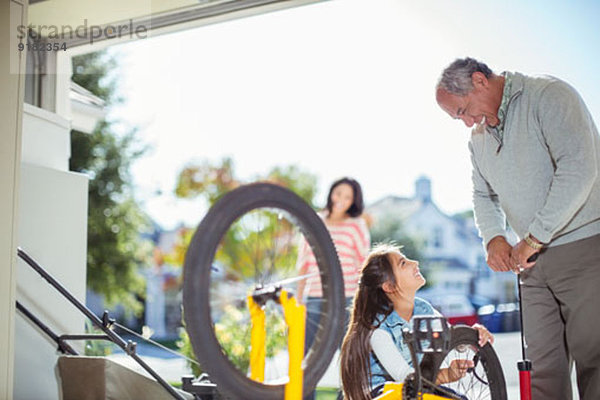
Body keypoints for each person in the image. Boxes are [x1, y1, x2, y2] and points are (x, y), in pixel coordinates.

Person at [435, 57, 600, 400]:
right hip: (531, 266)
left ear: (479, 80)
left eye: (463, 110)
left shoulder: (550, 95)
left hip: (583, 246)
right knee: (541, 371)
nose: (466, 123)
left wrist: (534, 237)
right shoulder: (478, 139)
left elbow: (579, 170)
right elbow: (482, 194)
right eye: (457, 118)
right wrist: (494, 237)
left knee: (595, 358)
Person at [339, 244, 493, 400]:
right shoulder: (378, 330)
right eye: (403, 263)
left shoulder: (424, 310)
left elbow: (449, 336)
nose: (415, 263)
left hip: (417, 388)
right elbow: (405, 378)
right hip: (384, 393)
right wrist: (446, 375)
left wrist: (473, 335)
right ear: (389, 286)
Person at [296, 177, 370, 399]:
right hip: (315, 298)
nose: (341, 200)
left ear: (353, 201)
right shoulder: (315, 221)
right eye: (339, 193)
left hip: (346, 299)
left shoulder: (356, 225)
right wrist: (299, 299)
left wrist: (364, 301)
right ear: (331, 193)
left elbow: (363, 264)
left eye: (348, 197)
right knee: (306, 358)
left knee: (347, 357)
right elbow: (303, 262)